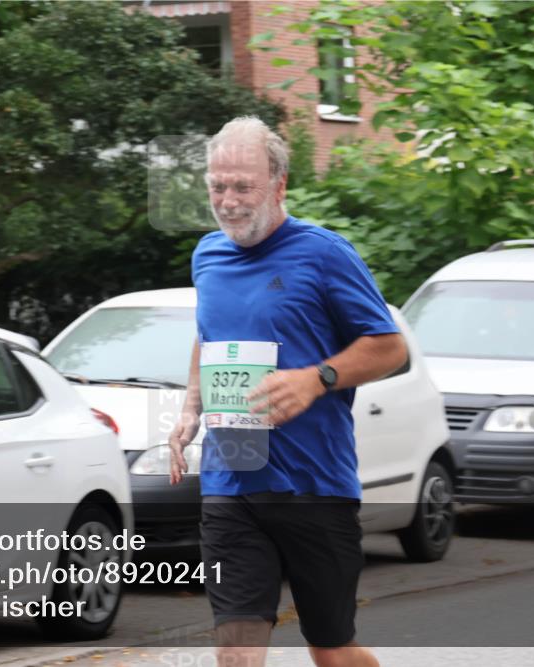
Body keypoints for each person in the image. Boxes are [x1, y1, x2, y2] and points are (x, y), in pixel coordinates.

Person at [168, 117, 407, 667]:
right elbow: (210, 334)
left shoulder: (324, 254)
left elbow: (390, 347)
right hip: (233, 480)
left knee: (330, 648)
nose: (228, 202)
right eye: (217, 187)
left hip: (313, 484)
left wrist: (316, 378)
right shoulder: (207, 256)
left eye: (242, 187)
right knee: (237, 652)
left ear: (278, 185)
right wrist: (190, 408)